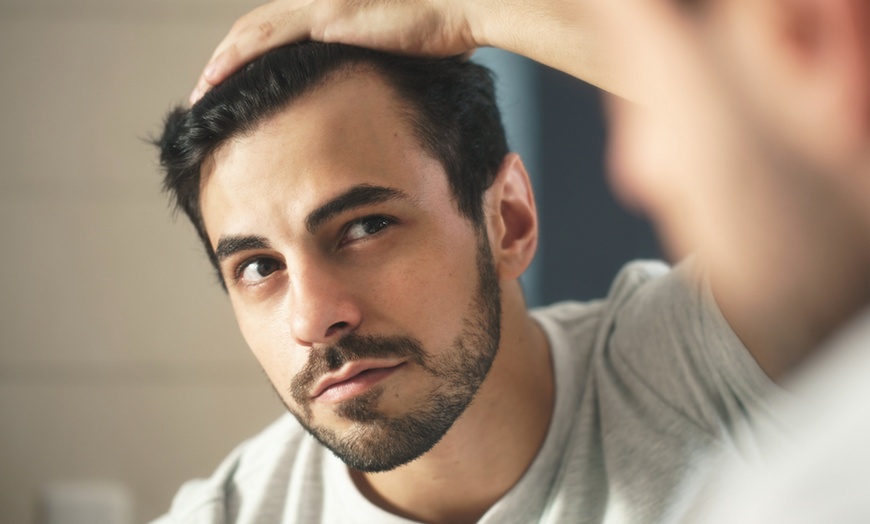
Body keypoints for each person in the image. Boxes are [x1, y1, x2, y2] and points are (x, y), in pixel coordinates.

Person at [187, 0, 870, 521]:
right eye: (257, 267)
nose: (313, 317)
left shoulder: (703, 358)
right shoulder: (230, 511)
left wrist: (466, 11)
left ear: (508, 219)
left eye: (365, 226)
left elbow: (808, 110)